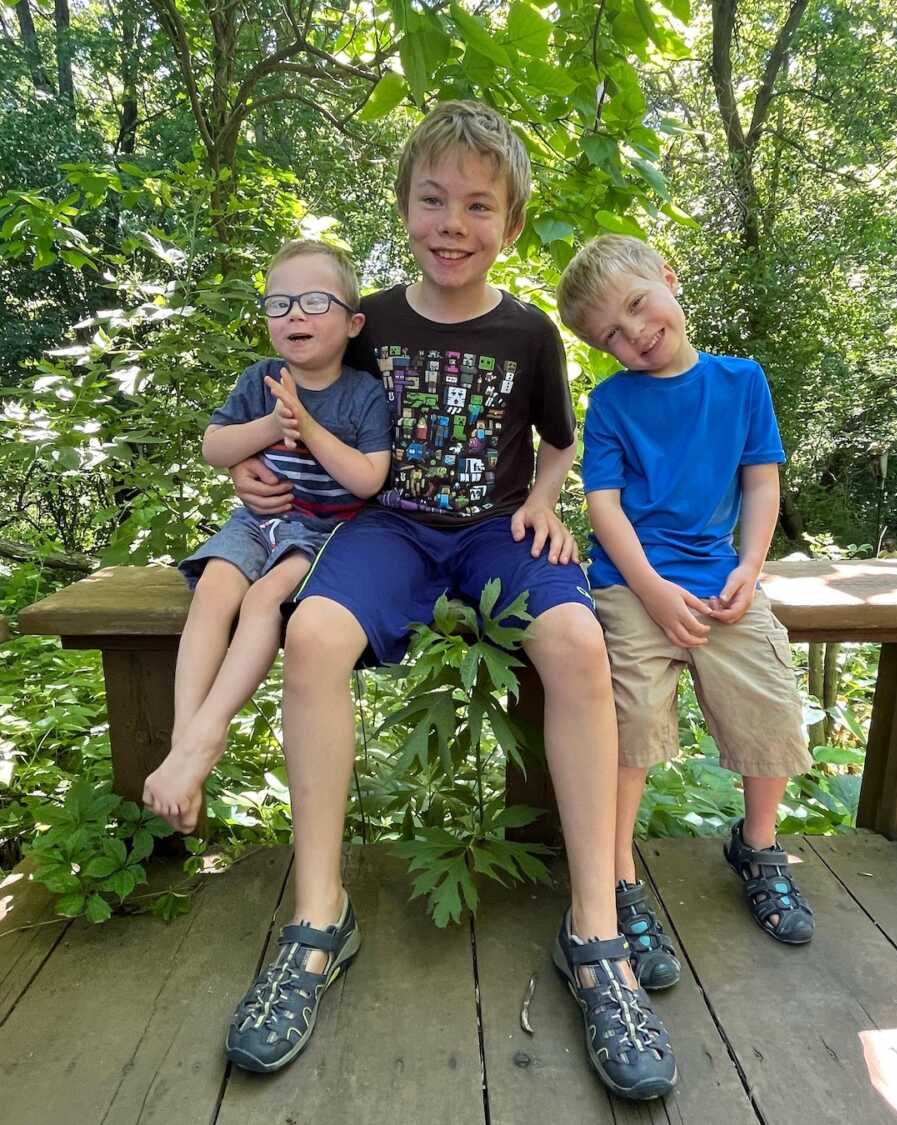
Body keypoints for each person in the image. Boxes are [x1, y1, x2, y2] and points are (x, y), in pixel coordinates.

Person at [226, 102, 677, 1100]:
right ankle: (316, 920)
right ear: (405, 208)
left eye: (479, 204)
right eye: (433, 198)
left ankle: (594, 933)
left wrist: (551, 501)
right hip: (386, 527)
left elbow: (560, 437)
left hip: (496, 530)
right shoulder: (367, 321)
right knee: (313, 639)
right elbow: (289, 402)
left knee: (575, 640)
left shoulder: (528, 331)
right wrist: (251, 476)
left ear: (509, 225)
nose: (453, 221)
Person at [557, 234, 815, 994]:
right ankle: (619, 877)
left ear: (668, 279)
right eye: (610, 334)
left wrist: (749, 567)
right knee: (629, 717)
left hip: (720, 578)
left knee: (769, 696)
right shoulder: (610, 403)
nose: (632, 333)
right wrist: (651, 589)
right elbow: (601, 504)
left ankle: (759, 845)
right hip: (632, 585)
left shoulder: (741, 382)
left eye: (637, 305)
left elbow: (760, 483)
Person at [142, 240, 391, 836]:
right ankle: (186, 739)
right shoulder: (261, 380)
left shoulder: (362, 394)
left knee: (261, 602)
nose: (295, 315)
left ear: (352, 323)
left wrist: (306, 427)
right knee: (214, 591)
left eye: (313, 301)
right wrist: (267, 425)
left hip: (321, 530)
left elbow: (368, 478)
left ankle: (209, 732)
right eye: (279, 304)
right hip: (256, 521)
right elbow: (213, 448)